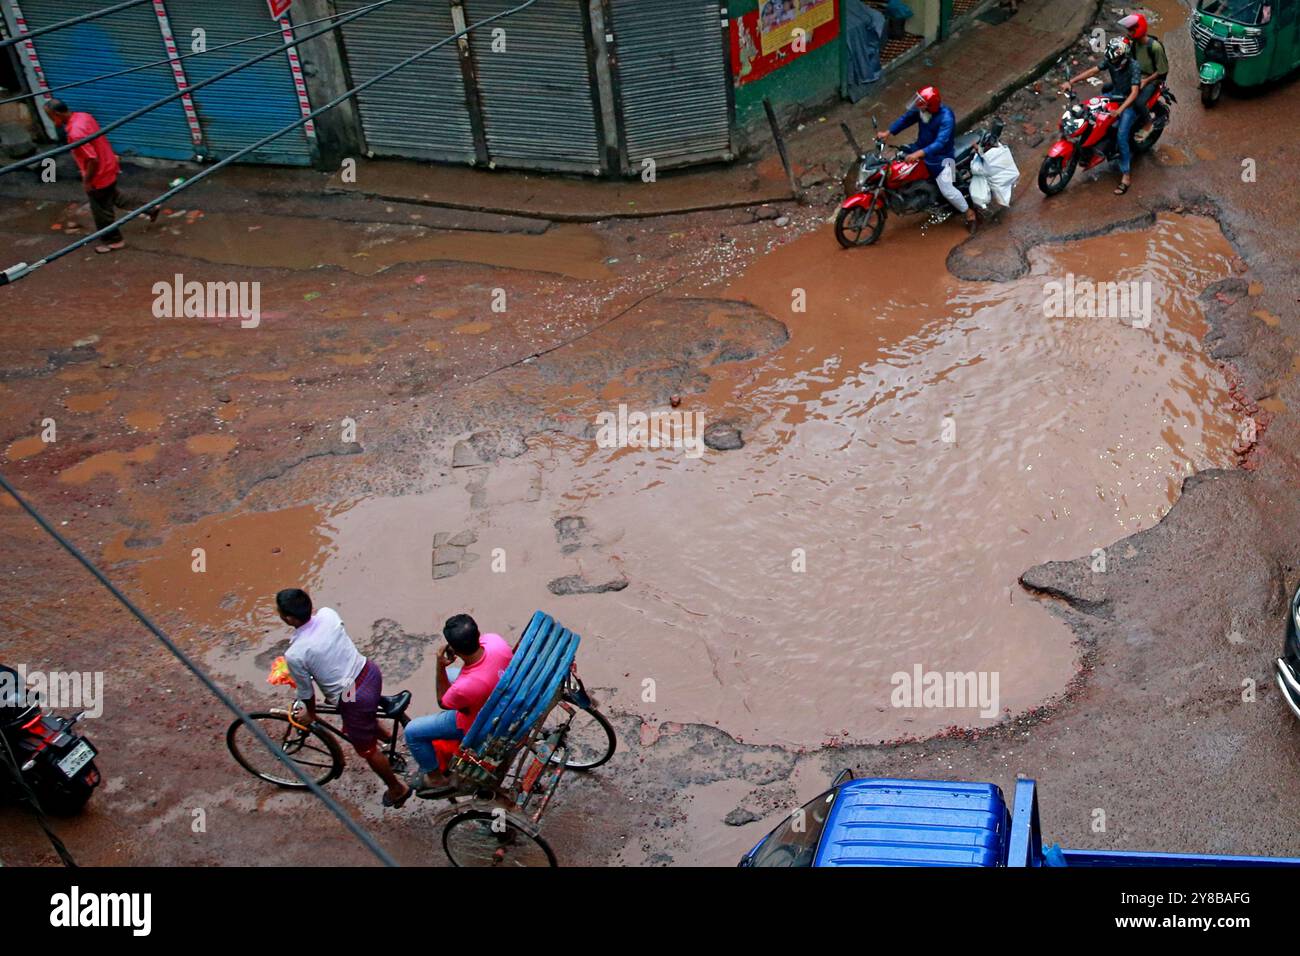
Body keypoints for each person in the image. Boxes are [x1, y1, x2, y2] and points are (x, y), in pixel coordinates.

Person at [276, 588, 412, 808]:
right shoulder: (328, 614)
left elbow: (306, 692)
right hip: (369, 672)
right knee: (359, 716)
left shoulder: (296, 653)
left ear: (289, 618)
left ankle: (397, 789)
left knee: (366, 750)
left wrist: (310, 713)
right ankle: (387, 738)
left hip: (354, 695)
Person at [405, 614, 512, 794]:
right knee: (455, 674)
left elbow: (443, 700)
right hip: (499, 694)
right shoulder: (495, 641)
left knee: (412, 731)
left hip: (476, 722)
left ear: (454, 649)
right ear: (478, 634)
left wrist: (440, 666)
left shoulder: (465, 687)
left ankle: (435, 778)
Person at [42, 99, 158, 254]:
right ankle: (150, 209)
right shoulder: (84, 117)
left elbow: (92, 159)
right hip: (109, 164)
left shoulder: (75, 133)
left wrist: (87, 180)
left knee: (101, 211)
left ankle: (114, 241)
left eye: (49, 116)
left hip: (99, 175)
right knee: (115, 196)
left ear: (56, 114)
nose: (50, 119)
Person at [876, 85, 978, 234]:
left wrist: (919, 154)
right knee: (898, 164)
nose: (918, 105)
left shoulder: (946, 117)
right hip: (920, 149)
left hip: (943, 159)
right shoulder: (923, 111)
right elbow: (905, 119)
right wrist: (889, 132)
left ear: (931, 105)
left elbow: (940, 142)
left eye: (922, 103)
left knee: (947, 190)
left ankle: (969, 214)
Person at [1059, 36, 1143, 195]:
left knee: (1121, 135)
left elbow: (1134, 93)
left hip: (1128, 103)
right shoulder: (1111, 60)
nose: (1113, 63)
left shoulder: (1134, 66)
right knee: (1087, 112)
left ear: (1123, 57)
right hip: (1113, 95)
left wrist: (1119, 110)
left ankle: (1125, 175)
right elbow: (1094, 70)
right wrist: (1072, 81)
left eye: (1116, 60)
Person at [1118, 13, 1168, 141]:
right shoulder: (1134, 44)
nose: (1128, 33)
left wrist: (1146, 80)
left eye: (1131, 30)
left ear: (1139, 29)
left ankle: (1148, 123)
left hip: (1152, 78)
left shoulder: (1155, 47)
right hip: (1137, 74)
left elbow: (1162, 70)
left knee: (1139, 102)